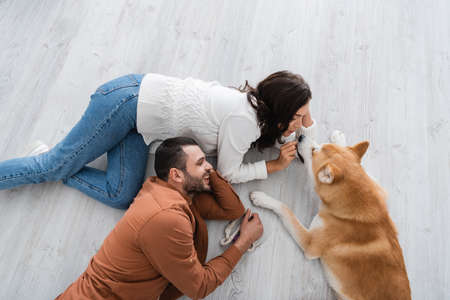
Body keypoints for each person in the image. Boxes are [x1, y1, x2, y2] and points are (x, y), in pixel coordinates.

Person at [0, 71, 315, 208]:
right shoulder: (242, 121)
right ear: (278, 114)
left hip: (140, 124)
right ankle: (53, 163)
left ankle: (60, 167)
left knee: (120, 195)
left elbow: (269, 132)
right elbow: (229, 173)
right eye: (301, 116)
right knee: (53, 165)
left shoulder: (256, 106)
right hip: (123, 105)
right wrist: (272, 167)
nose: (308, 122)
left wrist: (297, 135)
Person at [56, 137, 264, 300]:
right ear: (176, 175)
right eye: (201, 163)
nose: (209, 167)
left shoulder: (169, 192)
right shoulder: (167, 217)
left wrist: (208, 170)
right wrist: (243, 242)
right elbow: (199, 287)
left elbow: (232, 209)